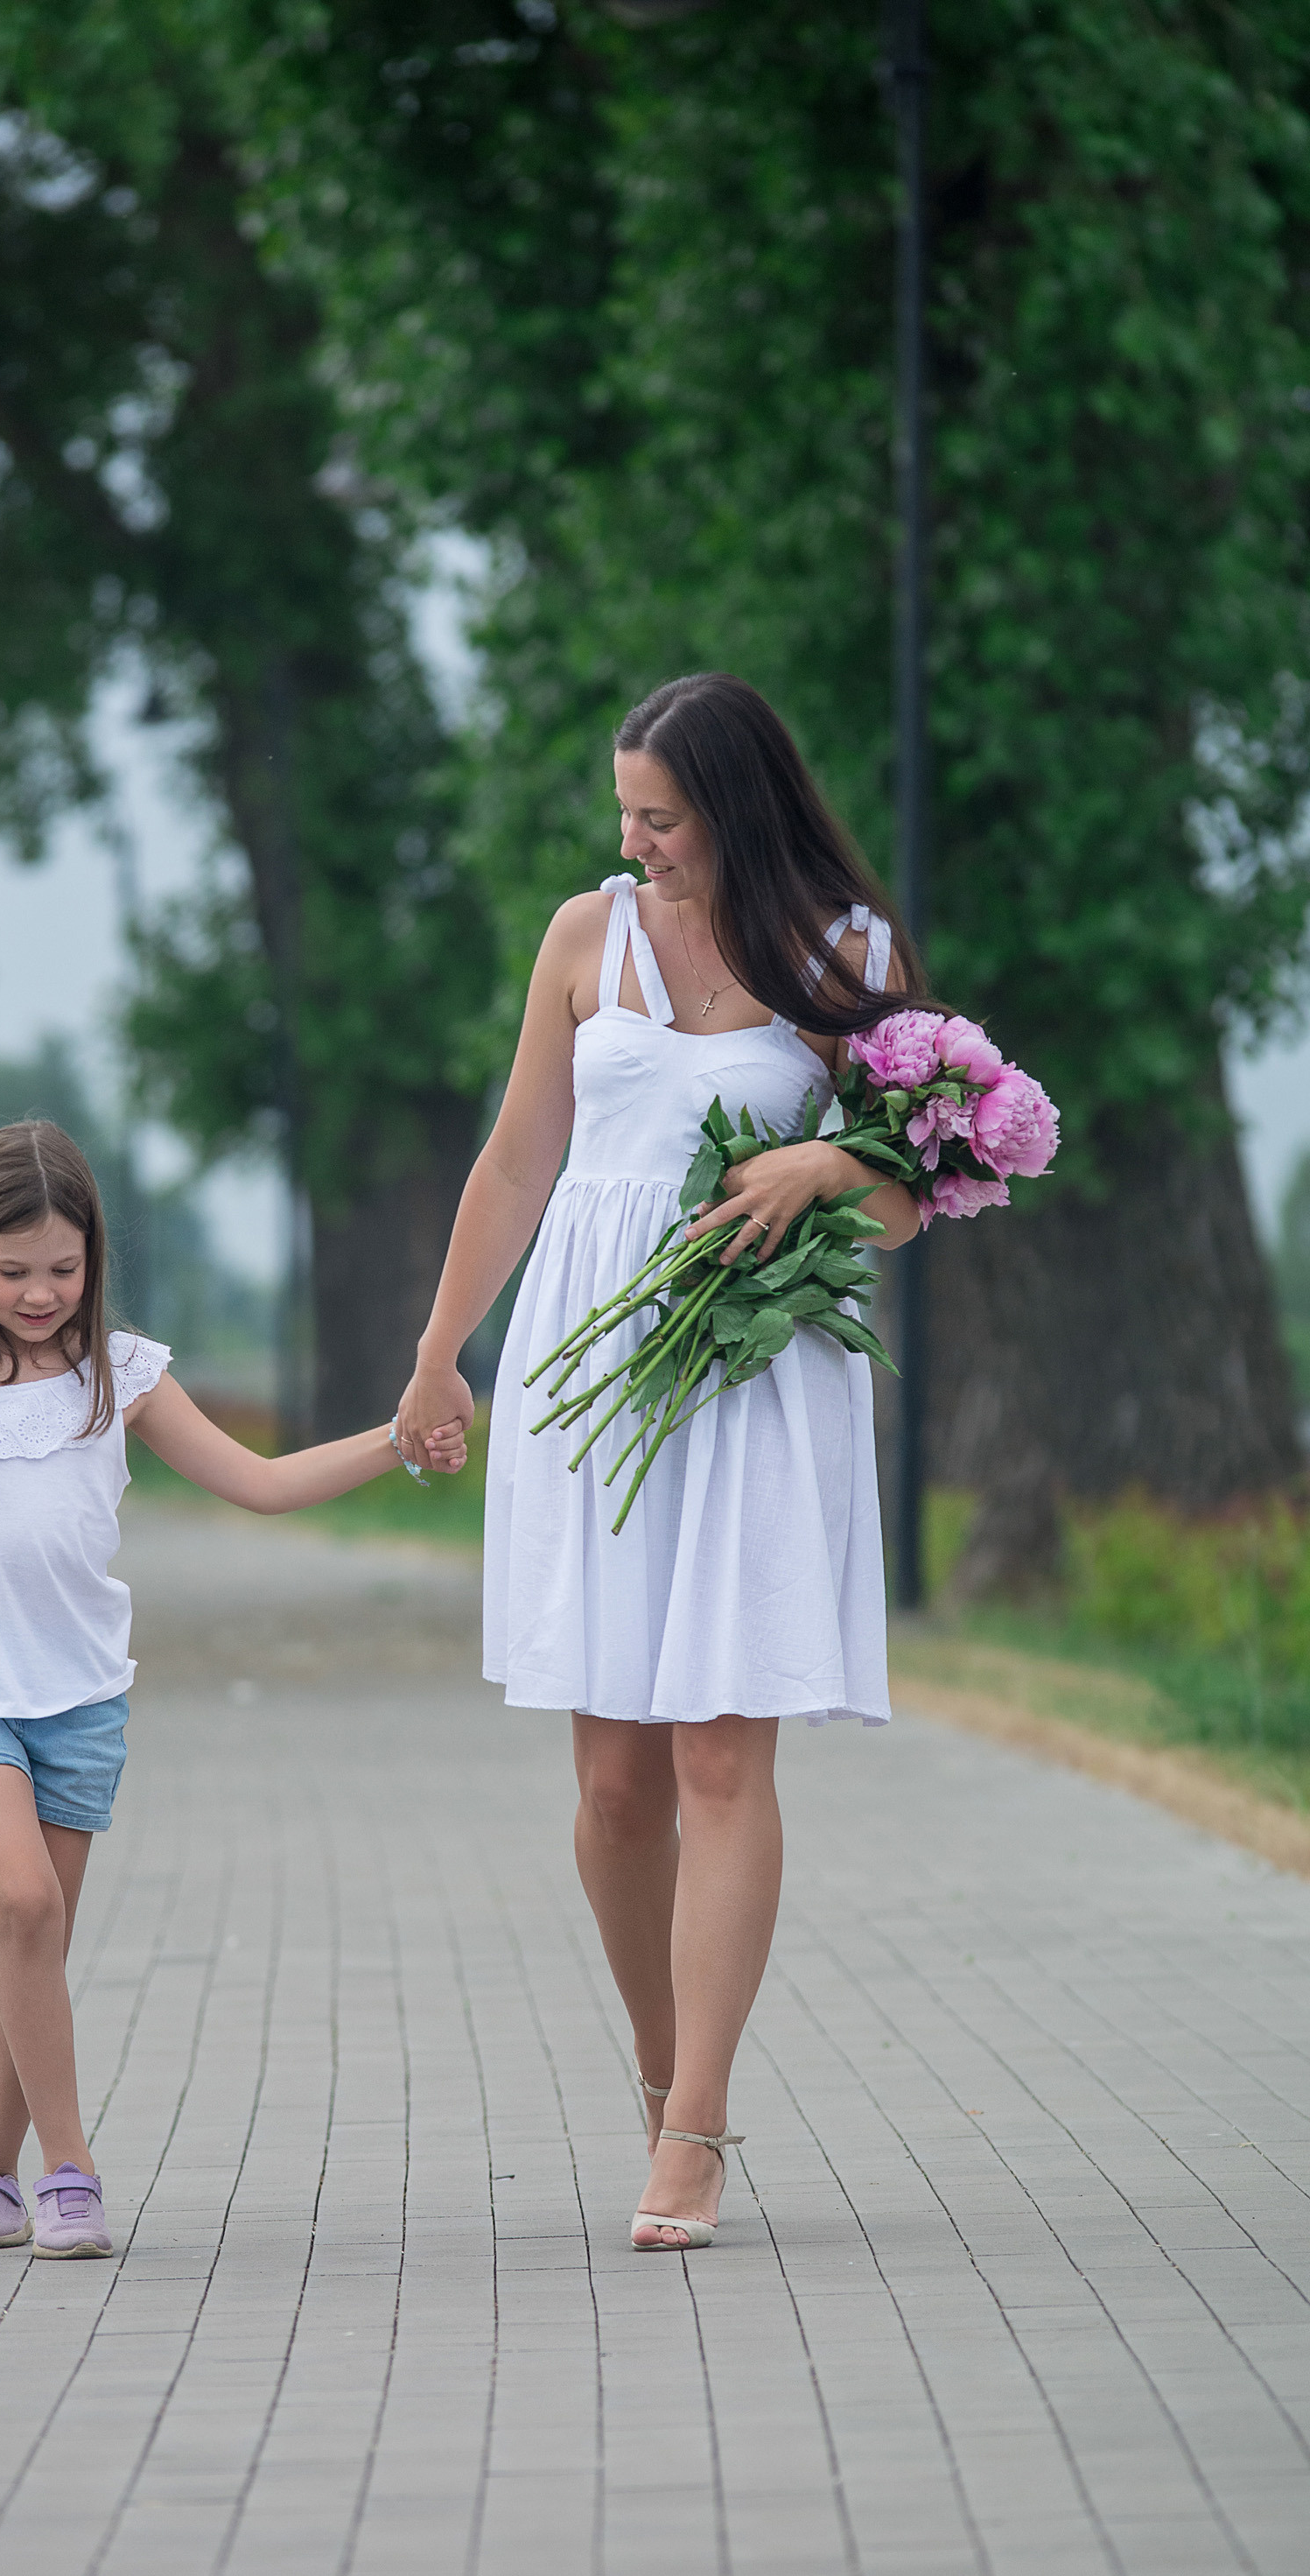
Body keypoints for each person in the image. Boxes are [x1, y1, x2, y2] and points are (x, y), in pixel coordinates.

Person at [395, 674, 925, 2253]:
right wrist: (440, 1355)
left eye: (662, 817)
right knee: (615, 1782)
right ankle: (659, 2066)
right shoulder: (586, 938)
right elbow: (518, 1160)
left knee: (717, 1757)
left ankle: (694, 2129)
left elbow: (920, 1187)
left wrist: (829, 1157)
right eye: (626, 812)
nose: (635, 843)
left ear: (738, 809)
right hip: (592, 1374)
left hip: (759, 1386)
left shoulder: (846, 957)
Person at [0, 1120, 466, 2262]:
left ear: (93, 1256)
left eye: (63, 1269)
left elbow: (258, 1484)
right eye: (12, 1271)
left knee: (36, 1942)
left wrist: (399, 1444)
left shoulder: (124, 1373)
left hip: (79, 1695)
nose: (40, 1293)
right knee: (22, 1905)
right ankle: (71, 2167)